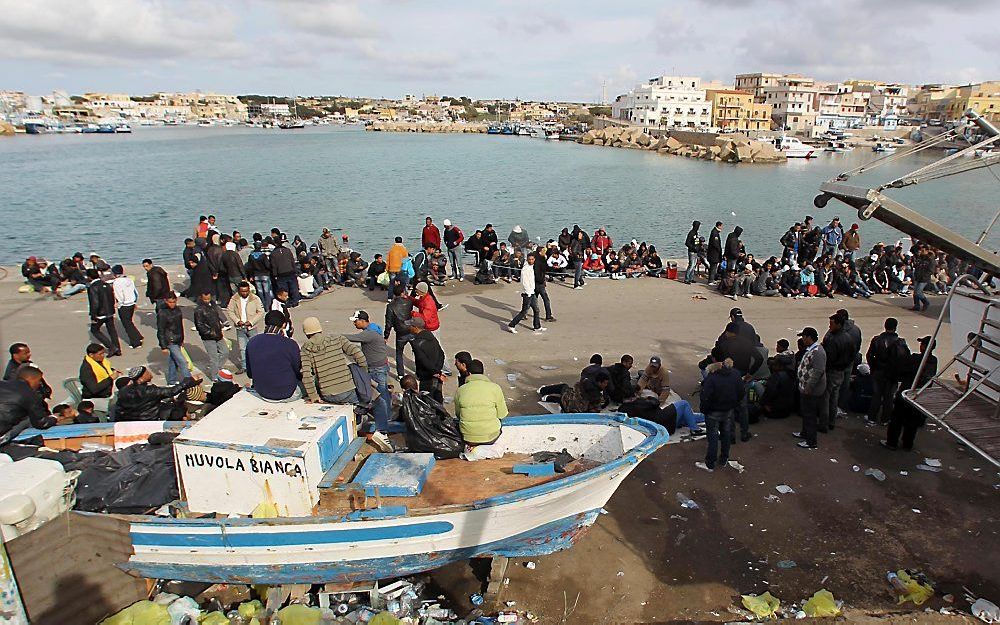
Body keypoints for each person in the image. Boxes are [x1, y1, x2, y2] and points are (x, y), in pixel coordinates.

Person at [884, 336, 938, 451]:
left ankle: (892, 442)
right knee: (912, 423)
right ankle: (907, 444)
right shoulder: (933, 361)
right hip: (919, 396)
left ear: (923, 346)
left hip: (907, 393)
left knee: (897, 419)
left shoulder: (915, 359)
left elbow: (901, 369)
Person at [300, 316, 367, 404]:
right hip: (348, 390)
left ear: (306, 333)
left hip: (328, 394)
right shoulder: (337, 338)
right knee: (363, 406)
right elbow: (359, 354)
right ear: (320, 328)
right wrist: (364, 372)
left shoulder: (305, 349)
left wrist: (314, 396)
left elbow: (307, 375)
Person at [345, 310, 391, 429]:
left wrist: (337, 337)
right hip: (380, 366)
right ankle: (387, 417)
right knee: (383, 392)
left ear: (362, 321)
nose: (354, 324)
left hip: (377, 368)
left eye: (356, 321)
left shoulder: (369, 334)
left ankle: (384, 422)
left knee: (379, 395)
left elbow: (353, 338)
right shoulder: (374, 328)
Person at [695, 358, 742, 471]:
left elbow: (706, 397)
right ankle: (724, 459)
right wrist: (733, 404)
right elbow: (741, 391)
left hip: (713, 412)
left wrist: (704, 409)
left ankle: (710, 463)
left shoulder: (712, 378)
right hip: (728, 410)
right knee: (726, 435)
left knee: (713, 437)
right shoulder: (735, 374)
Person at [245, 310, 302, 401]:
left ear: (266, 323)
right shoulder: (290, 344)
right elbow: (298, 370)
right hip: (288, 392)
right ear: (284, 325)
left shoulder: (252, 342)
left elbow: (250, 373)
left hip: (262, 391)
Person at [115, 366, 201, 421]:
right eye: (147, 373)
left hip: (130, 420)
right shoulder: (149, 390)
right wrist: (189, 380)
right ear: (141, 378)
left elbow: (119, 409)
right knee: (177, 409)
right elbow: (172, 391)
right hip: (149, 419)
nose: (149, 373)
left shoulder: (123, 391)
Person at [454, 359, 508, 445]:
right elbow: (502, 414)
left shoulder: (460, 390)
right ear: (482, 372)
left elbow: (458, 414)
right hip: (491, 437)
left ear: (469, 373)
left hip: (468, 437)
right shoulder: (495, 388)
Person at [865, 317, 909, 425]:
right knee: (889, 397)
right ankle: (885, 418)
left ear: (885, 326)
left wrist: (873, 368)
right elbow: (905, 358)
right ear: (895, 327)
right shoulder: (900, 342)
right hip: (892, 374)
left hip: (879, 371)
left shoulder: (877, 340)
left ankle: (872, 417)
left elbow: (869, 355)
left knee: (876, 395)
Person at [0, 366, 56, 442]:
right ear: (31, 379)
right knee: (29, 419)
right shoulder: (30, 393)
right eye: (39, 380)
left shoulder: (3, 384)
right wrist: (55, 418)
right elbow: (41, 423)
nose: (40, 384)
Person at [794, 326, 826, 449]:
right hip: (805, 387)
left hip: (811, 390)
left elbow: (818, 371)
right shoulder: (811, 349)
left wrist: (809, 386)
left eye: (803, 336)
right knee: (805, 413)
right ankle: (804, 433)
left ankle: (811, 441)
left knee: (810, 415)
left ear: (809, 337)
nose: (802, 339)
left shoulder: (818, 351)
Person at [821, 312, 854, 432]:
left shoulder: (833, 339)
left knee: (826, 398)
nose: (830, 326)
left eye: (832, 324)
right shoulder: (847, 337)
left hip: (832, 371)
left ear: (839, 324)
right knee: (834, 397)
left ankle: (824, 423)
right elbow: (852, 354)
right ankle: (831, 422)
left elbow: (829, 358)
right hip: (840, 371)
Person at [412, 282, 451, 374]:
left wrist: (413, 313)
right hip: (430, 327)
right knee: (435, 347)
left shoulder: (428, 302)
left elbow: (425, 317)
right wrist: (412, 300)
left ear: (421, 291)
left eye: (417, 290)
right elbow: (419, 304)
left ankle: (446, 368)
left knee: (437, 348)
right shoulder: (424, 298)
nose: (415, 291)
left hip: (432, 328)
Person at [225, 281, 263, 375]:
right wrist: (237, 321)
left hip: (252, 327)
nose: (244, 293)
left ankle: (255, 366)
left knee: (254, 347)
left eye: (246, 291)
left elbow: (260, 312)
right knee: (242, 348)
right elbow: (230, 311)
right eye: (242, 291)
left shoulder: (255, 299)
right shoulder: (234, 299)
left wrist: (251, 322)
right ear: (239, 291)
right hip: (240, 327)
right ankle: (244, 367)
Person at [406, 317, 445, 403]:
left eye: (410, 326)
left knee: (427, 401)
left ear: (415, 328)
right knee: (438, 398)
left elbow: (423, 361)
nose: (409, 328)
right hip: (436, 373)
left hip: (426, 376)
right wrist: (438, 370)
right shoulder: (431, 336)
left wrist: (434, 372)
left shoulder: (416, 343)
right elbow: (441, 354)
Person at [194, 291, 231, 381]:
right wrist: (210, 332)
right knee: (213, 357)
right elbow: (199, 325)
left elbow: (219, 316)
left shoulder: (214, 306)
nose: (207, 300)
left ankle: (217, 368)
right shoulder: (199, 310)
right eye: (205, 299)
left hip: (218, 334)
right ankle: (215, 377)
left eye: (208, 298)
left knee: (225, 352)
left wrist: (223, 324)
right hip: (208, 337)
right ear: (201, 298)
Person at [156, 292, 191, 385]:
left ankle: (171, 380)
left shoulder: (178, 310)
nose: (172, 304)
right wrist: (163, 346)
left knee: (173, 361)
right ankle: (189, 380)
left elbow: (180, 326)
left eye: (174, 302)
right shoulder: (162, 313)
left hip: (177, 338)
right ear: (166, 301)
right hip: (170, 340)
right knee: (182, 361)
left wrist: (182, 339)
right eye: (170, 302)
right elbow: (161, 330)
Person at [86, 268, 122, 356]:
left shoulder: (93, 287)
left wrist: (93, 315)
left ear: (89, 277)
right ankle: (118, 349)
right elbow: (111, 297)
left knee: (94, 330)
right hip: (109, 311)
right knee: (112, 330)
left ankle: (111, 347)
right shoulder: (106, 284)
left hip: (100, 313)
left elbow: (95, 302)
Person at [507, 253, 544, 334]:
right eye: (529, 259)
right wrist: (528, 293)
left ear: (534, 259)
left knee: (536, 310)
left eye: (532, 259)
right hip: (528, 293)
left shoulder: (531, 267)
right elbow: (524, 282)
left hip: (532, 292)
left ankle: (537, 326)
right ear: (527, 259)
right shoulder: (525, 269)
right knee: (524, 311)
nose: (531, 261)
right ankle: (511, 325)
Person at [385, 283, 415, 378]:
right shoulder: (409, 302)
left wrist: (386, 336)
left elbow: (388, 323)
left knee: (399, 353)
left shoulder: (390, 306)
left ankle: (401, 374)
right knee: (416, 351)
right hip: (411, 329)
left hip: (400, 332)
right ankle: (419, 370)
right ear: (403, 292)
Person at [110, 265, 143, 349]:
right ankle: (138, 336)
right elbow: (135, 292)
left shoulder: (116, 282)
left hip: (124, 305)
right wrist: (134, 301)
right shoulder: (129, 279)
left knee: (127, 324)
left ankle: (136, 342)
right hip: (131, 303)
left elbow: (119, 294)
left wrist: (119, 304)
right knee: (130, 321)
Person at [269, 236, 300, 307]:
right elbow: (292, 261)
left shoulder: (273, 254)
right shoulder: (288, 250)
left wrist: (275, 275)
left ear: (275, 243)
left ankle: (286, 302)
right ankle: (295, 301)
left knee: (283, 289)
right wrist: (295, 270)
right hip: (290, 271)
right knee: (293, 287)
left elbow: (274, 266)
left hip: (281, 274)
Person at [245, 241, 273, 310]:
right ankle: (267, 307)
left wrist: (251, 276)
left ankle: (262, 306)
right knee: (266, 292)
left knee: (260, 292)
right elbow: (267, 265)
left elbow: (250, 267)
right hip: (265, 275)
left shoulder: (251, 256)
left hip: (256, 275)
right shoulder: (263, 256)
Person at [532, 246, 556, 323]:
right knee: (545, 299)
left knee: (532, 299)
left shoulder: (539, 259)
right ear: (540, 252)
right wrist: (542, 281)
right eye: (543, 251)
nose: (544, 252)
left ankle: (524, 314)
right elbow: (538, 272)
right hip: (538, 283)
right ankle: (548, 316)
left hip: (536, 282)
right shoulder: (539, 260)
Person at [387, 237, 409, 301]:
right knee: (403, 283)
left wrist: (387, 268)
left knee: (391, 283)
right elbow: (406, 260)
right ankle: (404, 295)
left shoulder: (392, 249)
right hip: (400, 269)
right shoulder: (404, 249)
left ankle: (390, 297)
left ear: (395, 241)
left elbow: (388, 260)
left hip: (392, 269)